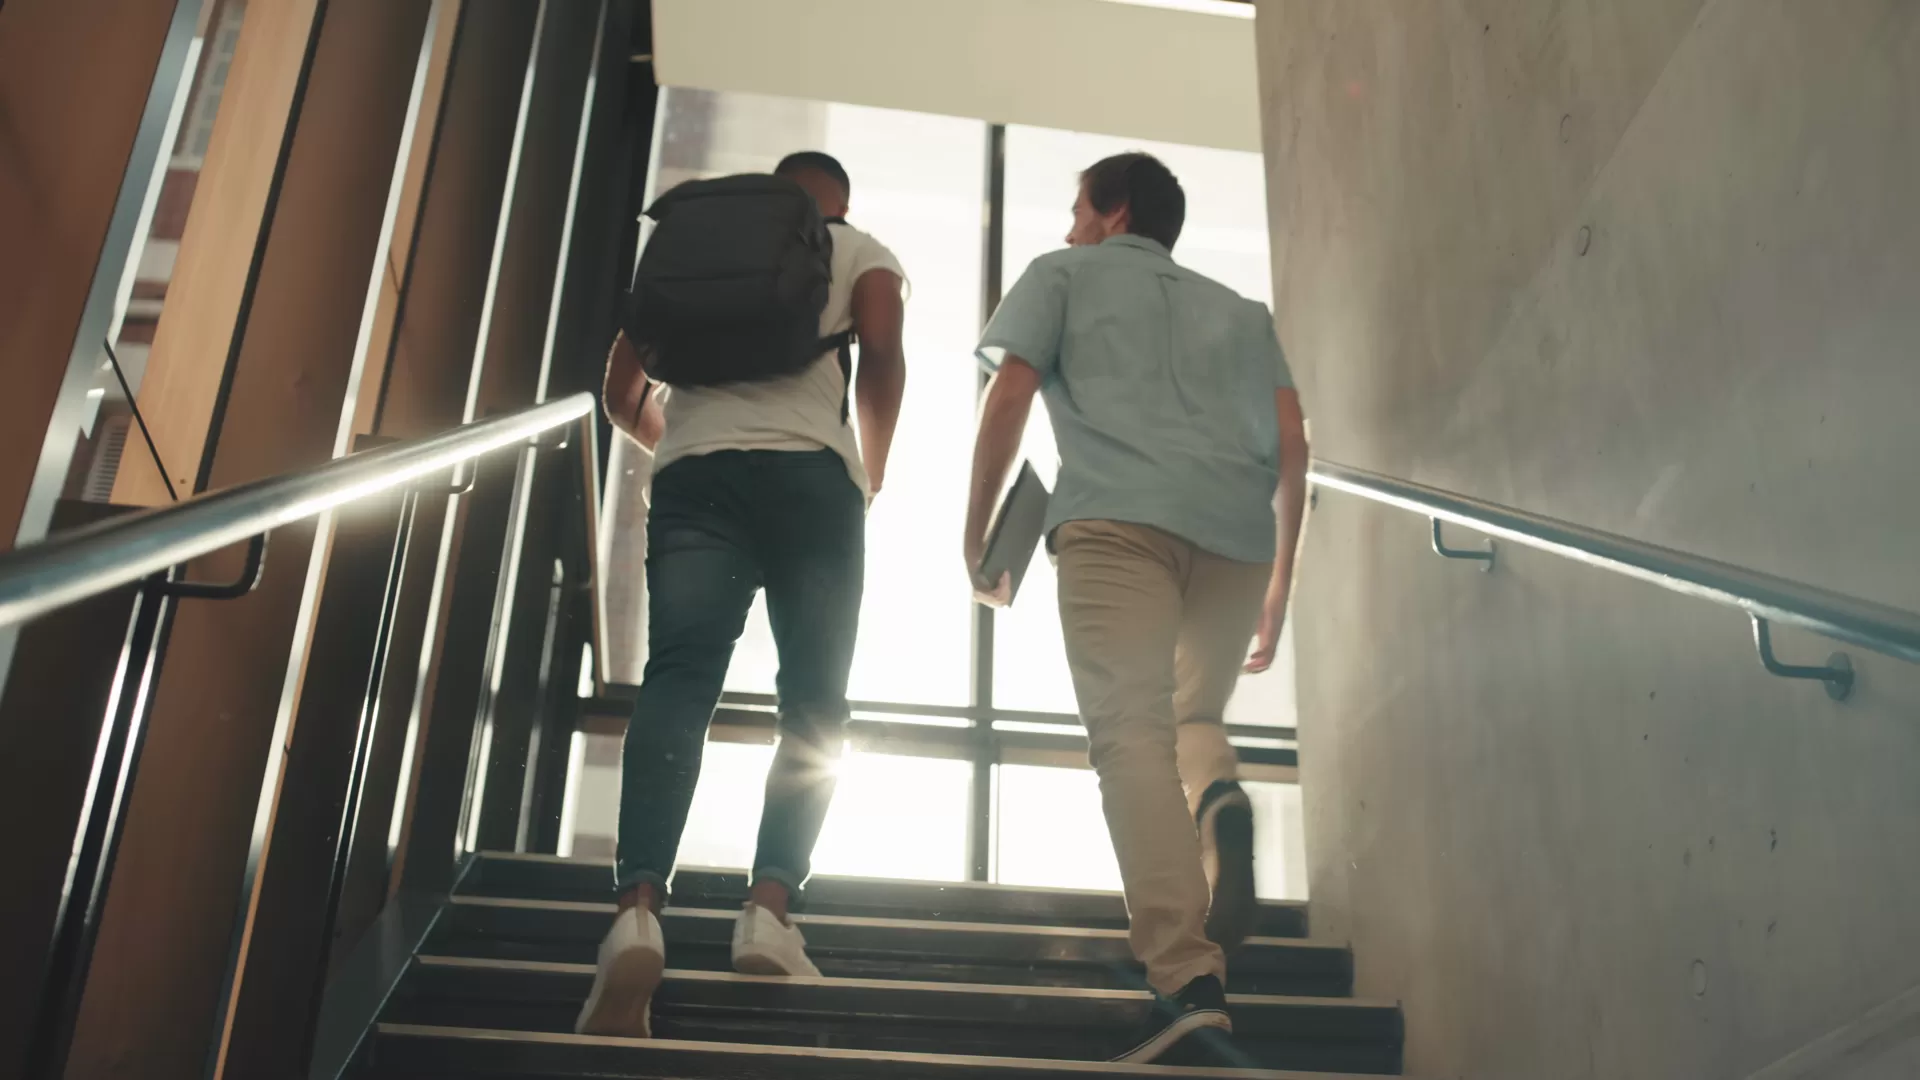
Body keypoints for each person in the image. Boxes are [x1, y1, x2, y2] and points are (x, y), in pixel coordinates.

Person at [963, 152, 1308, 1065]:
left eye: (1080, 208)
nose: (1073, 224)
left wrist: (975, 532)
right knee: (1193, 715)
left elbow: (1010, 394)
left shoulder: (1061, 273)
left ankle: (1186, 979)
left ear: (1113, 213)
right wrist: (1280, 581)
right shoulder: (1241, 313)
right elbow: (1293, 444)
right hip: (1237, 541)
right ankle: (1223, 798)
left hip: (1119, 526)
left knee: (1132, 738)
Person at [579, 150, 908, 1038]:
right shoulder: (861, 250)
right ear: (840, 198)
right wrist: (866, 473)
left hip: (695, 478)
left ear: (769, 187)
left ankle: (637, 911)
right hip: (813, 484)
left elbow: (619, 392)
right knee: (812, 700)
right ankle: (768, 910)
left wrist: (681, 440)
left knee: (679, 678)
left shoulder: (696, 245)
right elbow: (882, 360)